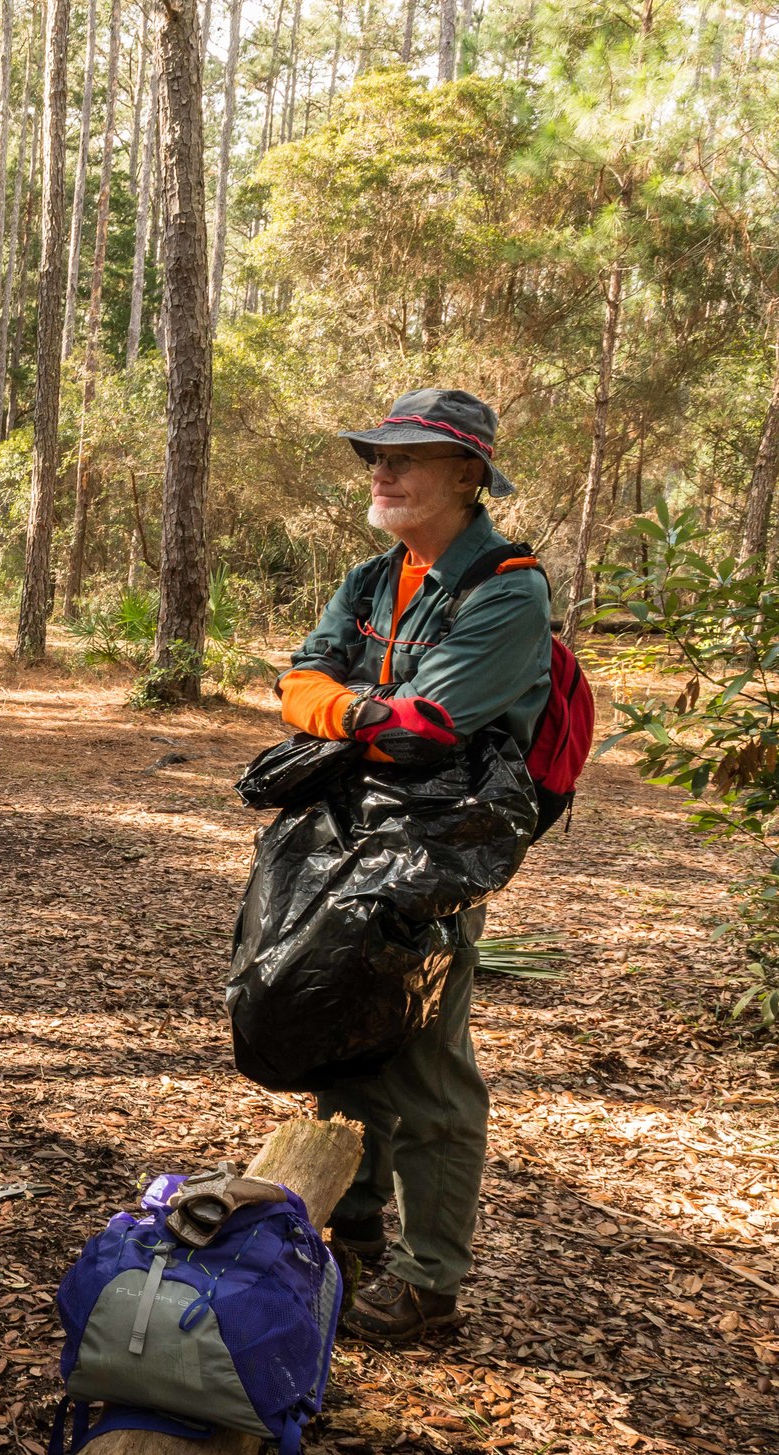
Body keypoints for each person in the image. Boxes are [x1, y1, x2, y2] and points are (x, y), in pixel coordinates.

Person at [275, 388, 552, 1345]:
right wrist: (354, 712)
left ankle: (431, 1278)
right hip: (352, 832)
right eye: (375, 456)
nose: (381, 472)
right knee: (346, 1023)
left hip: (443, 846)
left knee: (430, 1057)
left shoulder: (508, 590)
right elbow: (299, 678)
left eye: (407, 458)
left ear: (468, 476)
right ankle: (348, 1230)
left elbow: (430, 729)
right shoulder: (370, 577)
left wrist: (348, 712)